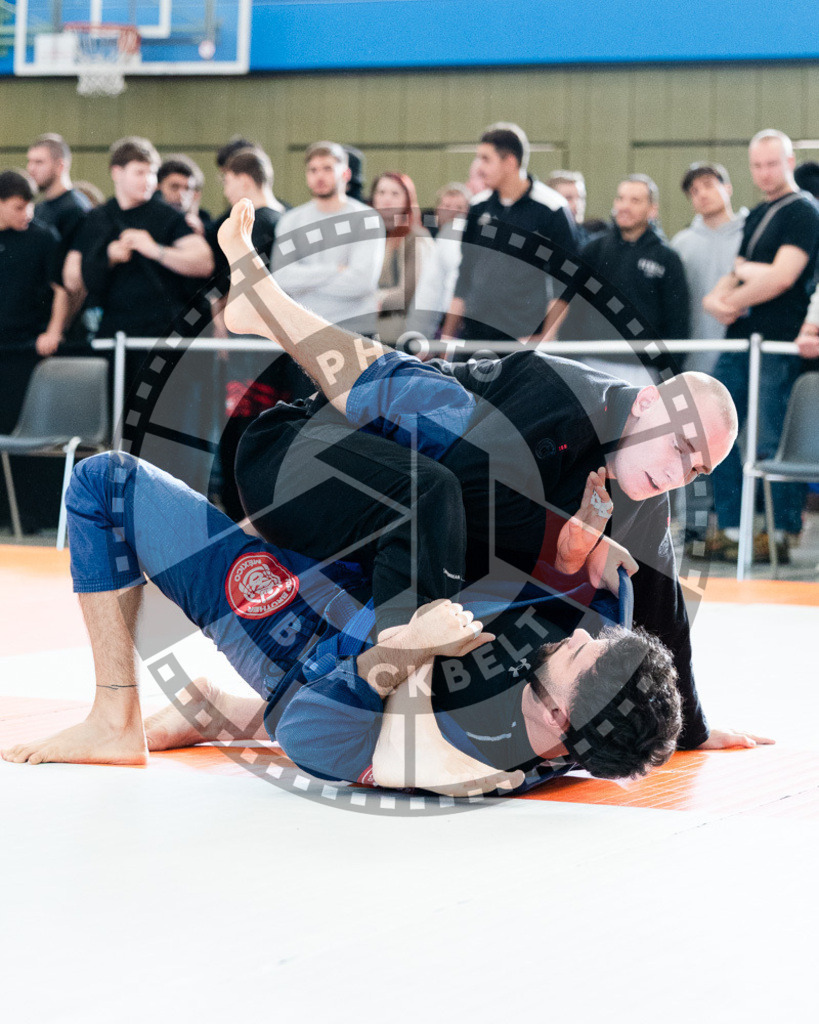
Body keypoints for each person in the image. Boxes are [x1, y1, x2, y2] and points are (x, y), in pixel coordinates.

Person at [221, 199, 768, 754]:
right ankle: (264, 305)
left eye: (695, 469)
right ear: (649, 402)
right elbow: (454, 485)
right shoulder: (558, 398)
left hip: (375, 519)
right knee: (436, 482)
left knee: (529, 577)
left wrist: (693, 731)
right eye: (679, 447)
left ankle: (260, 309)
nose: (677, 474)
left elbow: (662, 609)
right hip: (302, 455)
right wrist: (569, 546)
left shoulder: (645, 483)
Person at [0, 446, 681, 797]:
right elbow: (610, 644)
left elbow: (310, 734)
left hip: (294, 642)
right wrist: (583, 558)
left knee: (101, 482)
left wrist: (408, 648)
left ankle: (114, 717)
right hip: (361, 593)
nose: (583, 638)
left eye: (584, 657)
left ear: (561, 719)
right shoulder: (579, 729)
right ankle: (218, 713)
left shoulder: (450, 754)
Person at [703, 129, 819, 562]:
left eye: (773, 163)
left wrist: (729, 297)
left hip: (777, 343)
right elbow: (736, 273)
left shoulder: (804, 211)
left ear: (789, 162)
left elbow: (783, 276)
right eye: (757, 165)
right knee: (716, 431)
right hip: (739, 341)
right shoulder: (756, 216)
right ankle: (733, 529)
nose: (765, 172)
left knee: (771, 437)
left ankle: (781, 532)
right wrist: (718, 298)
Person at [441, 123, 577, 343]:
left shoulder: (552, 209)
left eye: (486, 159)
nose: (478, 167)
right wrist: (447, 338)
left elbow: (567, 283)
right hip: (474, 337)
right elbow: (464, 276)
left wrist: (542, 338)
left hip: (522, 340)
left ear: (510, 162)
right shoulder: (478, 207)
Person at [0, 169, 70, 530]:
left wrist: (53, 331)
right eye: (17, 207)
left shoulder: (43, 238)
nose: (26, 213)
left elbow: (61, 289)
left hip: (26, 350)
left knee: (22, 434)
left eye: (29, 206)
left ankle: (27, 515)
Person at [271, 141, 385, 338]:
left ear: (346, 174)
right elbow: (281, 278)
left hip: (356, 332)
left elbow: (362, 283)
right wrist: (335, 270)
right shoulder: (291, 221)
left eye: (327, 168)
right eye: (313, 170)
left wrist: (305, 285)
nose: (319, 176)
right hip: (305, 331)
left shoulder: (367, 219)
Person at [578, 175, 690, 342]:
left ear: (652, 209)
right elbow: (574, 307)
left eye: (635, 200)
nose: (624, 207)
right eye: (620, 199)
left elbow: (677, 321)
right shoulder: (593, 250)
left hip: (645, 365)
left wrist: (667, 366)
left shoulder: (667, 258)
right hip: (592, 358)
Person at [671, 163, 747, 373]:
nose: (702, 194)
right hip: (694, 355)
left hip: (742, 351)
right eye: (694, 191)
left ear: (728, 188)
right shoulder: (680, 244)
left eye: (708, 185)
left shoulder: (750, 236)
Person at [370, 171, 435, 343]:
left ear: (407, 199)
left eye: (395, 193)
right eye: (381, 192)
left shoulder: (416, 237)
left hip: (398, 333)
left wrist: (370, 301)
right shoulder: (371, 236)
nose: (387, 199)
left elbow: (408, 291)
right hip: (368, 327)